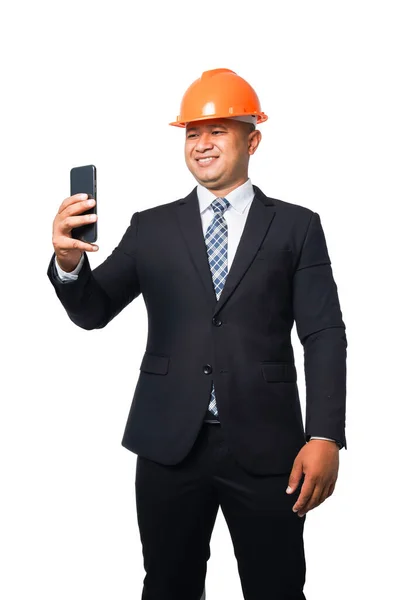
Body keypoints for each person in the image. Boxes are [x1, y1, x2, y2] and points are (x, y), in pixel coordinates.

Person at [47, 68, 347, 600]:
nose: (202, 144)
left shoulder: (297, 227)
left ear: (252, 138)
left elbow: (323, 333)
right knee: (167, 585)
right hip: (167, 444)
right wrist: (69, 263)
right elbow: (93, 312)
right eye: (192, 133)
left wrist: (324, 436)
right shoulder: (151, 227)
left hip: (269, 444)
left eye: (217, 131)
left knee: (277, 587)